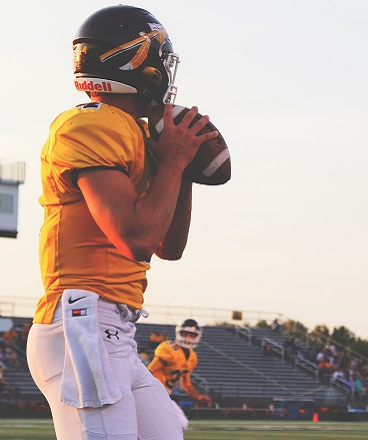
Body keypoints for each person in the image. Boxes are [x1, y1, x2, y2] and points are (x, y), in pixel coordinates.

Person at [26, 5, 223, 440]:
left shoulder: (133, 132)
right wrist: (172, 161)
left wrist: (182, 168)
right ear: (137, 61)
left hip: (113, 328)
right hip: (82, 320)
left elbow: (168, 246)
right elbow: (135, 237)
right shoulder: (90, 123)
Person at [148, 319, 213, 430]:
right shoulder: (169, 348)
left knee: (182, 423)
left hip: (165, 395)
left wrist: (199, 396)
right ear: (178, 333)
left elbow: (186, 385)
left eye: (192, 334)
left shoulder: (192, 357)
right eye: (185, 333)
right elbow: (149, 371)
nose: (188, 337)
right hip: (152, 392)